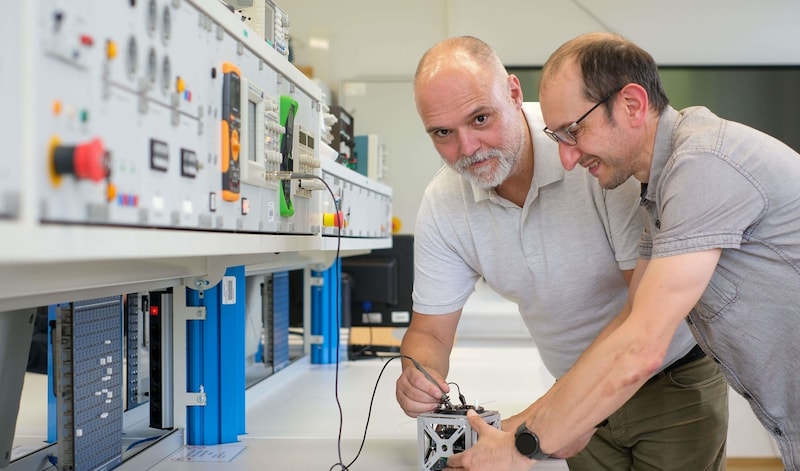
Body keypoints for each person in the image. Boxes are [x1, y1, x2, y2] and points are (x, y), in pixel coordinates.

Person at [447, 31, 800, 471]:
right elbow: (629, 320)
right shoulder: (659, 185)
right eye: (557, 137)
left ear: (632, 105)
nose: (569, 159)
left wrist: (523, 450)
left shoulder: (703, 166)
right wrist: (522, 425)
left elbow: (641, 347)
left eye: (574, 131)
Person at [395, 36, 728, 471]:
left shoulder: (592, 151)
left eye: (480, 118)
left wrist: (527, 429)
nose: (468, 148)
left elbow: (641, 318)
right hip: (570, 389)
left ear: (514, 93)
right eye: (443, 133)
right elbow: (431, 334)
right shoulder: (444, 201)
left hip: (669, 381)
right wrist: (418, 373)